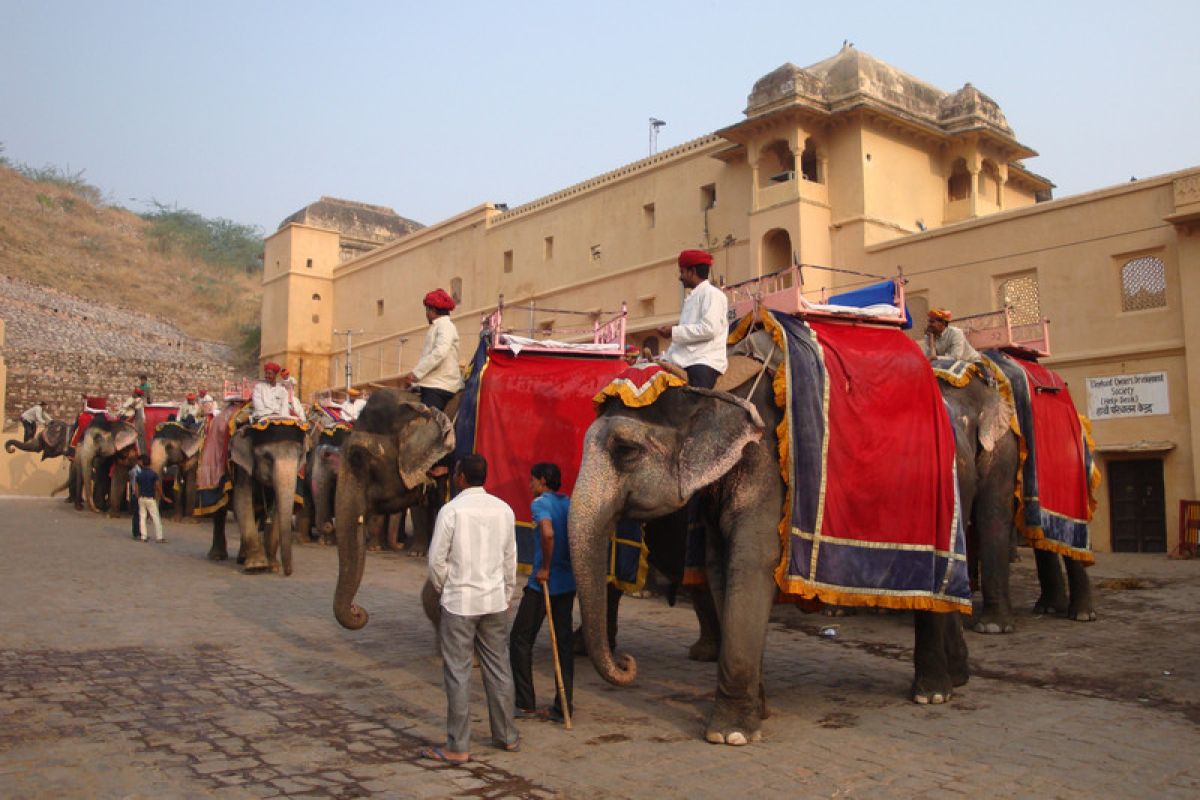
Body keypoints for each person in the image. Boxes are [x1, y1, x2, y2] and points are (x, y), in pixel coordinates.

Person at [423, 453, 519, 763]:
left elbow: (436, 560)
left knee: (458, 672)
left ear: (460, 477)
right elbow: (510, 559)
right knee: (499, 668)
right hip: (493, 600)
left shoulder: (452, 511)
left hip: (461, 602)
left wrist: (446, 587)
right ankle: (507, 736)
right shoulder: (503, 510)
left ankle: (458, 745)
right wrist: (505, 593)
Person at [509, 463, 575, 723]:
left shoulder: (540, 504)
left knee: (520, 639)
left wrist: (546, 567)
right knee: (563, 644)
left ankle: (525, 702)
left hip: (543, 584)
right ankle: (564, 705)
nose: (530, 485)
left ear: (543, 481)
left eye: (533, 480)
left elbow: (547, 534)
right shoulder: (568, 503)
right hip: (567, 583)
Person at [655, 249, 728, 389]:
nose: (680, 277)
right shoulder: (692, 298)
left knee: (694, 402)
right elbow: (687, 334)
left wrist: (674, 331)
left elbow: (709, 329)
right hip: (685, 359)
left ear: (692, 271)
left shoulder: (713, 295)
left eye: (682, 272)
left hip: (704, 360)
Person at [401, 289, 463, 412]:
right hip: (431, 383)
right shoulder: (437, 326)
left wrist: (415, 374)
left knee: (425, 424)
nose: (426, 314)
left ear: (433, 310)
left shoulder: (445, 326)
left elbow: (440, 352)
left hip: (440, 385)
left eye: (427, 310)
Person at [133, 454, 165, 543]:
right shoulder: (153, 474)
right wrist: (162, 496)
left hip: (141, 498)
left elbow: (136, 488)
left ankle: (144, 536)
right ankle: (159, 537)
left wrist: (137, 496)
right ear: (150, 463)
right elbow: (158, 486)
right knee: (156, 518)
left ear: (142, 463)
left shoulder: (139, 475)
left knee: (142, 517)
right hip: (150, 498)